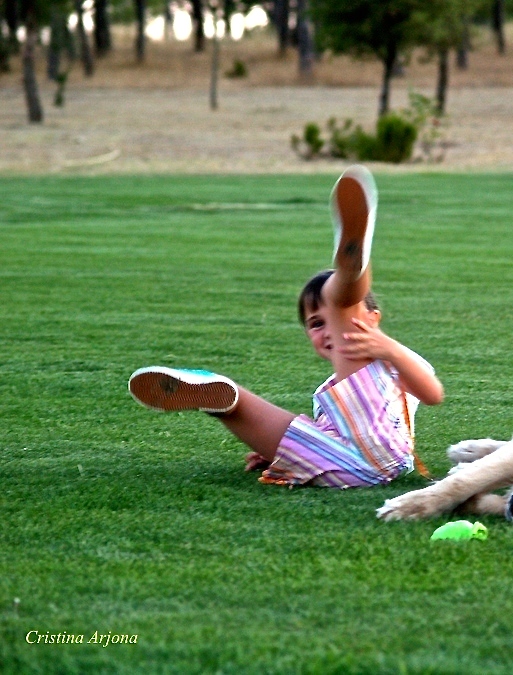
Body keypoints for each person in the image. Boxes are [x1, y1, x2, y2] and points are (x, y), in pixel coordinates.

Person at [128, 165, 444, 488]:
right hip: (340, 464)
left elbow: (433, 394)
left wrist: (389, 348)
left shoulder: (388, 362)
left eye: (331, 319)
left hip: (384, 455)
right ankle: (221, 398)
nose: (328, 332)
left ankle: (349, 273)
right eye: (316, 324)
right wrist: (274, 451)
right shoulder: (332, 391)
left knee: (346, 323)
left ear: (375, 318)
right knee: (246, 410)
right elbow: (323, 435)